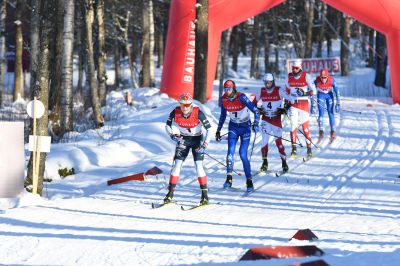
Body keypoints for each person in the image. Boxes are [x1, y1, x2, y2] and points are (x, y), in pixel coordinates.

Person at [164, 93, 212, 205]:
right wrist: (172, 135)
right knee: (177, 164)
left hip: (197, 140)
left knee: (198, 166)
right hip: (183, 139)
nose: (185, 108)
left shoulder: (198, 112)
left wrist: (205, 144)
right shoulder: (175, 112)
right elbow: (167, 125)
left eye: (187, 105)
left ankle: (204, 196)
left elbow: (209, 129)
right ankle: (170, 194)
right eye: (182, 105)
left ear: (191, 105)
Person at [216, 80, 260, 192]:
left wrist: (256, 123)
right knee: (230, 153)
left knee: (242, 154)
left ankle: (249, 181)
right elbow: (222, 115)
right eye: (225, 89)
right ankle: (228, 179)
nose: (227, 91)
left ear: (233, 88)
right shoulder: (224, 99)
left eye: (229, 89)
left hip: (245, 127)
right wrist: (218, 130)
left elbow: (256, 111)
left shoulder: (241, 97)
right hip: (233, 127)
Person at [257, 73, 289, 173]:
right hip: (265, 119)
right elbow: (253, 103)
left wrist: (284, 109)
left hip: (276, 120)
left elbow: (291, 99)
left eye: (269, 82)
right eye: (266, 82)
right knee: (264, 141)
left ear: (273, 82)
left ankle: (284, 162)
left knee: (278, 142)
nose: (267, 84)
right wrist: (259, 110)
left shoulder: (279, 90)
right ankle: (264, 163)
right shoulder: (261, 91)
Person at [285, 60, 316, 159]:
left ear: (300, 67)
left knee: (305, 128)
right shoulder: (289, 77)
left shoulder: (306, 76)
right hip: (294, 105)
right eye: (293, 68)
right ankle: (294, 149)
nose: (294, 70)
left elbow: (314, 91)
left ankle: (309, 149)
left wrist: (305, 93)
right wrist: (286, 102)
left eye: (296, 68)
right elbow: (286, 91)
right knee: (292, 127)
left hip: (304, 105)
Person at [314, 69, 341, 143]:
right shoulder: (316, 80)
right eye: (322, 77)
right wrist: (313, 105)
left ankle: (333, 131)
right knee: (321, 112)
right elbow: (311, 90)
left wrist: (338, 103)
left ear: (327, 76)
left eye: (325, 77)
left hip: (329, 95)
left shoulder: (331, 80)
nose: (323, 79)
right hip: (321, 95)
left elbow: (337, 91)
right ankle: (321, 131)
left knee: (330, 113)